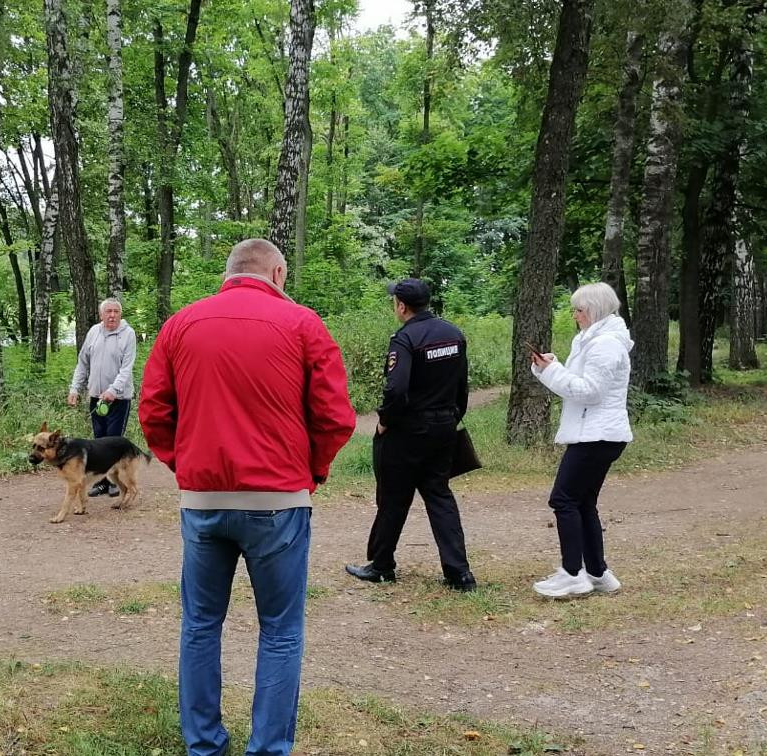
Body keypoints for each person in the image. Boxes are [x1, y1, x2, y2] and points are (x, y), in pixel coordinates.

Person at [139, 239, 356, 756]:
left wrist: (186, 466)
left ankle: (204, 745)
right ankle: (268, 749)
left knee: (200, 625)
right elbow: (335, 417)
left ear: (229, 273)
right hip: (279, 500)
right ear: (278, 272)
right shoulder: (304, 323)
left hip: (204, 501)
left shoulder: (180, 325)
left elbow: (153, 410)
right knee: (280, 631)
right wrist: (310, 474)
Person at [345, 278, 477, 591]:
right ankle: (459, 574)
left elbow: (397, 388)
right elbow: (462, 385)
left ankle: (381, 565)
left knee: (393, 498)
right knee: (440, 496)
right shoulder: (453, 334)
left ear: (402, 306)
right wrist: (453, 415)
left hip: (406, 432)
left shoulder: (404, 339)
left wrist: (385, 421)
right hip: (444, 428)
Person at [529, 282, 633, 598]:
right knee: (583, 501)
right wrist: (549, 368)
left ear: (594, 311)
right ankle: (598, 573)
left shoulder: (605, 344)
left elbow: (590, 391)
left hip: (597, 435)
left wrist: (552, 371)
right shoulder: (592, 340)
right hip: (595, 433)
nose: (575, 315)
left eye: (579, 310)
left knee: (563, 499)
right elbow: (576, 383)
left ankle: (572, 573)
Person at [68, 297, 137, 497]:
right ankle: (103, 482)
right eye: (109, 312)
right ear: (101, 315)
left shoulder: (128, 334)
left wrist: (113, 391)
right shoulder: (93, 333)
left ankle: (115, 483)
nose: (112, 315)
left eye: (116, 311)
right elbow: (82, 363)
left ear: (120, 314)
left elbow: (126, 369)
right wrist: (74, 389)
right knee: (98, 443)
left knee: (112, 443)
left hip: (119, 399)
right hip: (96, 396)